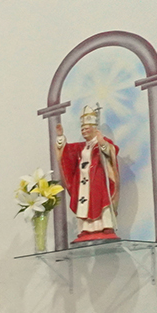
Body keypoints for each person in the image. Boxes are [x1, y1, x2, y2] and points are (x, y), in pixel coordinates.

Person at [56, 104, 120, 243]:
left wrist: (102, 144)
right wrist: (60, 137)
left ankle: (107, 226)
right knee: (84, 204)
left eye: (86, 129)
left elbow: (111, 151)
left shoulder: (102, 141)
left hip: (98, 179)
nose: (84, 131)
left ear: (94, 129)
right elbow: (66, 152)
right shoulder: (81, 147)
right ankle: (85, 229)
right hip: (83, 181)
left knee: (102, 202)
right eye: (82, 129)